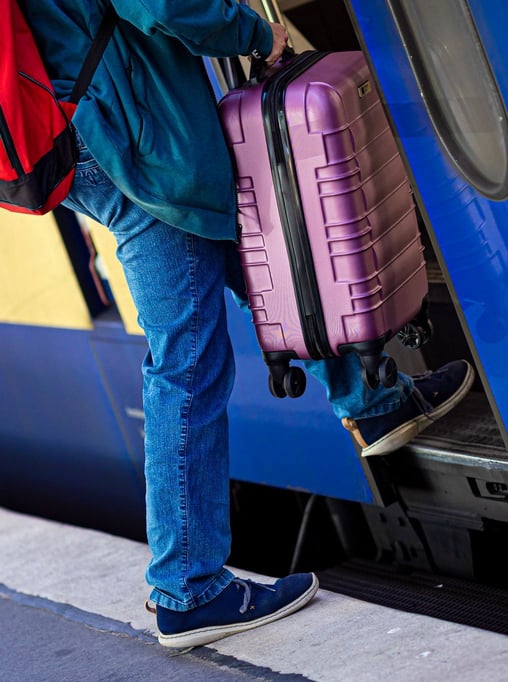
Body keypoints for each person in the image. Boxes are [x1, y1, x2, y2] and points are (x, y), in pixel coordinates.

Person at [23, 0, 474, 649]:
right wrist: (257, 32)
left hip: (104, 119)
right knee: (187, 360)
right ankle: (188, 585)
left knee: (256, 248)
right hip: (132, 133)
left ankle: (370, 399)